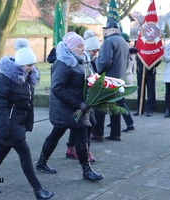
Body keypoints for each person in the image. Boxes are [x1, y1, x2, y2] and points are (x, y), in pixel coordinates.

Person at [0, 38, 55, 200]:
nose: (31, 68)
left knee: (2, 151)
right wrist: (3, 129)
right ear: (20, 64)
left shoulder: (27, 78)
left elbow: (28, 103)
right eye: (28, 65)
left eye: (33, 64)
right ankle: (38, 190)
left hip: (18, 122)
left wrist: (28, 122)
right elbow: (0, 107)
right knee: (25, 153)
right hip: (8, 123)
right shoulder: (5, 79)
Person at [35, 32, 104, 182]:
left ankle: (41, 162)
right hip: (67, 107)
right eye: (79, 46)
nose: (82, 49)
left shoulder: (80, 60)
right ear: (71, 48)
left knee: (56, 134)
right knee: (79, 137)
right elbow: (57, 88)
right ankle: (86, 170)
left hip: (76, 107)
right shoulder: (63, 63)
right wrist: (78, 103)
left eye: (83, 46)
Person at [90, 20, 129, 142]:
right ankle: (116, 134)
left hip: (107, 79)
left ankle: (98, 133)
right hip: (119, 78)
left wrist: (97, 70)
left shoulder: (109, 41)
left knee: (99, 106)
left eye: (106, 29)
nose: (105, 31)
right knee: (115, 106)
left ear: (112, 30)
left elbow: (104, 61)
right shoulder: (123, 41)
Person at [65, 30, 100, 162]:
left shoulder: (85, 60)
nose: (93, 53)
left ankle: (77, 152)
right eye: (92, 51)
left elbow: (89, 76)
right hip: (74, 101)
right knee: (58, 132)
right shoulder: (67, 63)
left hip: (83, 101)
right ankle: (82, 155)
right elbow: (60, 87)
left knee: (89, 124)